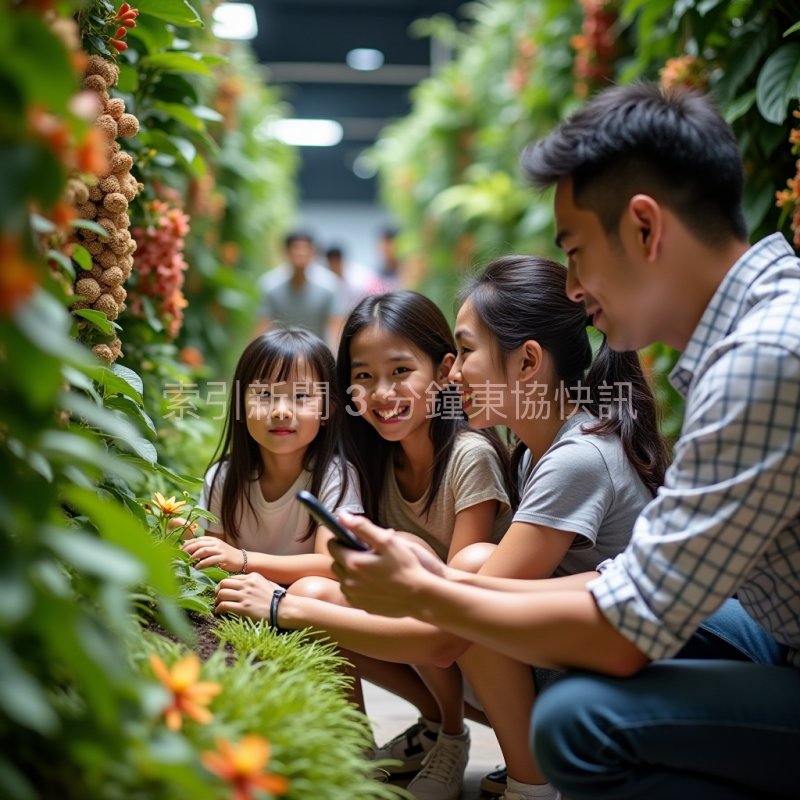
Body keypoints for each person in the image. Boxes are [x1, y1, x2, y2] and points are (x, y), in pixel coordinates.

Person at [314, 82, 800, 800]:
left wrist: (426, 591)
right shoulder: (751, 334)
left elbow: (625, 630)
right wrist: (442, 585)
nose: (573, 287)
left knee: (577, 719)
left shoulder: (762, 360)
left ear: (644, 228)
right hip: (767, 632)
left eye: (575, 252)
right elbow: (634, 579)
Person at [218, 290, 514, 800]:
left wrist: (269, 591)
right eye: (363, 376)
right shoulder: (371, 460)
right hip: (431, 642)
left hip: (491, 654)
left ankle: (452, 735)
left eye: (400, 371)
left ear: (444, 371)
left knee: (379, 577)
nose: (381, 392)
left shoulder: (469, 457)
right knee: (321, 591)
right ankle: (421, 729)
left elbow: (456, 608)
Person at [182, 327, 362, 583]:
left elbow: (331, 564)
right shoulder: (224, 477)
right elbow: (215, 565)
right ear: (240, 406)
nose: (281, 411)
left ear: (327, 411)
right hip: (247, 594)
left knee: (311, 588)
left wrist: (242, 560)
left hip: (308, 594)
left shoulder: (336, 476)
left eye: (300, 395)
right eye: (265, 394)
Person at [256, 231, 346, 348]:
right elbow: (262, 324)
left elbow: (336, 327)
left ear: (313, 252)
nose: (300, 253)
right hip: (283, 352)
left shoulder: (330, 285)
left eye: (305, 248)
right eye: (296, 248)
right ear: (286, 252)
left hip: (317, 352)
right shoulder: (270, 284)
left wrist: (336, 355)